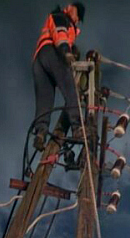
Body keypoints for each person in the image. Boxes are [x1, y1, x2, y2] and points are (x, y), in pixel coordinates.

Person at [32, 3, 86, 151]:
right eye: (77, 15)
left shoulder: (62, 20)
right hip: (53, 52)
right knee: (70, 88)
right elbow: (60, 33)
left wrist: (72, 48)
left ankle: (40, 133)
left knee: (45, 99)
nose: (76, 19)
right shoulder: (61, 17)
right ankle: (77, 128)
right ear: (73, 12)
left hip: (39, 59)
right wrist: (65, 51)